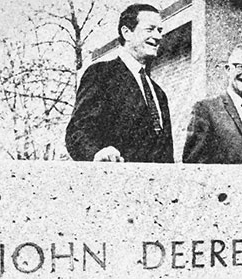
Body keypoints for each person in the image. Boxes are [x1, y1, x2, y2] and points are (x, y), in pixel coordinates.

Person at [66, 4, 173, 163]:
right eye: (150, 29)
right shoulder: (100, 75)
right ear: (127, 33)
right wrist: (97, 153)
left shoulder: (158, 93)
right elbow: (77, 131)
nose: (158, 37)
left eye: (160, 30)